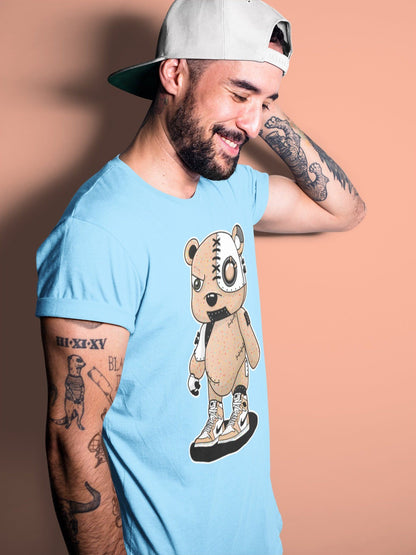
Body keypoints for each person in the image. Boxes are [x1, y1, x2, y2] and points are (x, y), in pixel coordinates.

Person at [36, 0, 365, 553]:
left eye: (267, 102)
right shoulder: (98, 231)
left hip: (256, 539)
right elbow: (73, 443)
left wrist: (255, 105)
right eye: (238, 93)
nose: (253, 124)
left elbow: (345, 210)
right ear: (174, 74)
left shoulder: (230, 188)